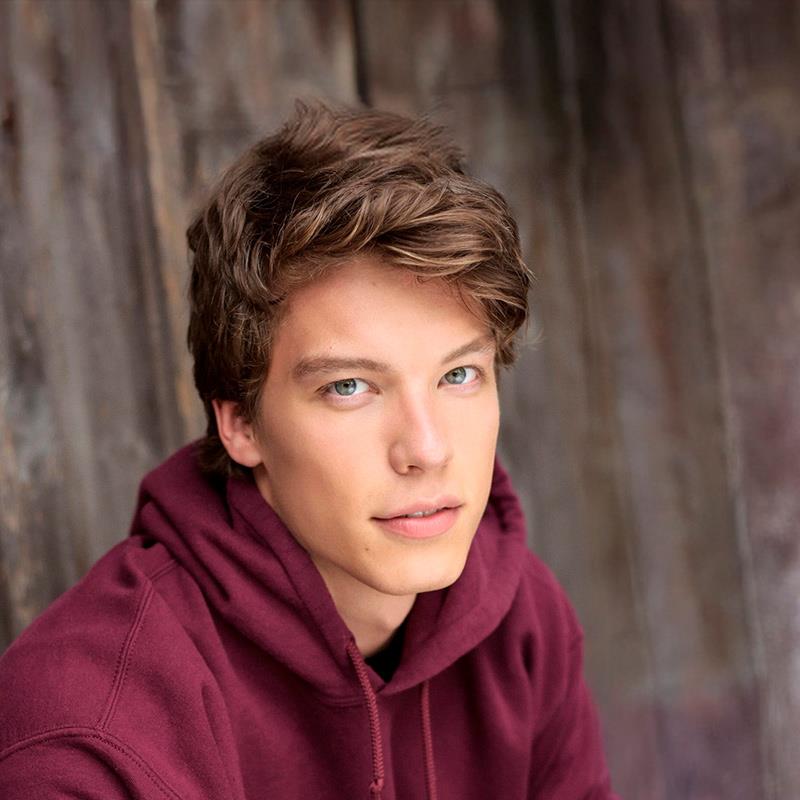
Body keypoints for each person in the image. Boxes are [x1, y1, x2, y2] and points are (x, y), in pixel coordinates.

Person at [0, 100, 618, 799]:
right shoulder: (92, 734)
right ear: (241, 424)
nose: (426, 448)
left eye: (459, 375)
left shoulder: (521, 625)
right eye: (349, 386)